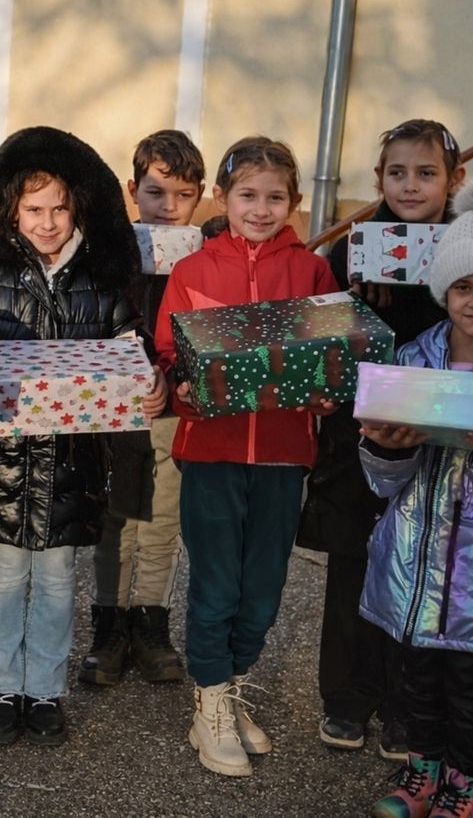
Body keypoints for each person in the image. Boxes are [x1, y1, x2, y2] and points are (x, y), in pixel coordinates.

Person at [0, 126, 167, 746]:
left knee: (57, 581)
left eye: (59, 208)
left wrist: (149, 384)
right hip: (2, 466)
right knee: (4, 576)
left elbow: (132, 350)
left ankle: (43, 691)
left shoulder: (99, 280)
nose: (47, 222)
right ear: (12, 209)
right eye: (34, 209)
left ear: (79, 209)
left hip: (72, 466)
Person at [154, 136, 337, 778]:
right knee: (216, 584)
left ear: (294, 201)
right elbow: (171, 355)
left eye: (275, 197)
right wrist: (182, 387)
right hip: (211, 451)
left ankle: (226, 686)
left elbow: (328, 357)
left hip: (284, 454)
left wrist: (324, 395)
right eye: (247, 195)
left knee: (263, 589)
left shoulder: (311, 272)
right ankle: (209, 703)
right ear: (223, 198)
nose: (261, 209)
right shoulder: (193, 272)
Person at [300, 119, 467, 759]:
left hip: (436, 440)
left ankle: (407, 707)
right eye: (397, 173)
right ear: (379, 180)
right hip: (359, 437)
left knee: (421, 570)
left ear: (452, 180)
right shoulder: (350, 250)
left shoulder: (471, 247)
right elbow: (325, 333)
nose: (410, 185)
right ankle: (347, 700)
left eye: (426, 173)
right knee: (353, 564)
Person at [359, 175, 473, 818]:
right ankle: (420, 778)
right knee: (416, 680)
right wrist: (390, 447)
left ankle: (462, 788)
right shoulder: (413, 359)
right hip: (413, 560)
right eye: (463, 287)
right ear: (443, 293)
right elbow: (384, 484)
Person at [83, 129, 204, 687]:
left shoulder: (204, 255)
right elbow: (97, 320)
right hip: (118, 410)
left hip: (175, 411)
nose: (169, 207)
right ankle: (107, 626)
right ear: (134, 191)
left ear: (199, 197)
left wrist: (172, 377)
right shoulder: (110, 254)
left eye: (183, 195)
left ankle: (151, 623)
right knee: (117, 519)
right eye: (156, 193)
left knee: (162, 521)